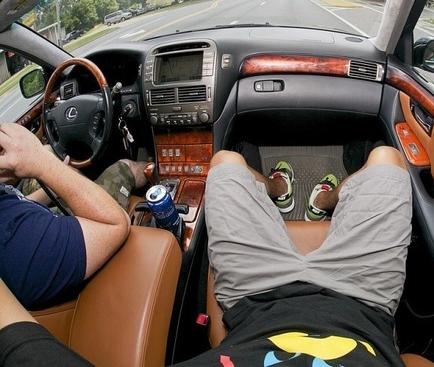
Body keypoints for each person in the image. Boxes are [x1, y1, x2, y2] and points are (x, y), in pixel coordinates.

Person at [0, 144, 412, 366]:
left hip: (257, 300)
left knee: (226, 163)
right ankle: (319, 200)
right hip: (361, 304)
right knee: (387, 160)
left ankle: (279, 190)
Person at [0, 122, 138, 309]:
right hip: (101, 226)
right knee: (126, 166)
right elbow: (116, 223)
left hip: (41, 221)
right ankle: (148, 167)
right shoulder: (13, 238)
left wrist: (54, 182)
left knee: (49, 150)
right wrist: (44, 164)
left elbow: (20, 202)